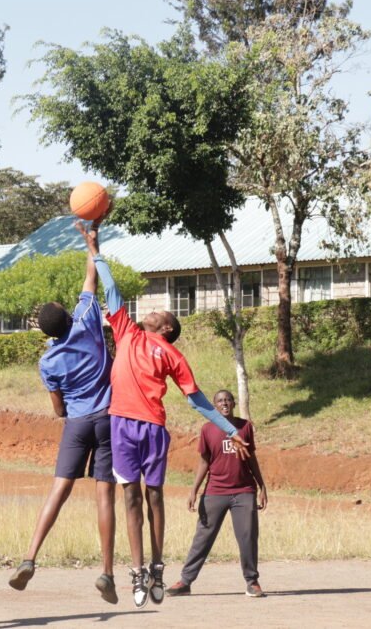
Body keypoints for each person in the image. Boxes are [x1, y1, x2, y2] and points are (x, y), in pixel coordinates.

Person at [76, 216, 249, 608]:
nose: (152, 312)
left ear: (168, 329)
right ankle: (137, 570)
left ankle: (157, 565)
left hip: (152, 428)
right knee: (130, 498)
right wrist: (95, 250)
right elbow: (111, 288)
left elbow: (197, 400)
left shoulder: (172, 354)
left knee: (154, 496)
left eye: (160, 314)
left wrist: (230, 430)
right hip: (120, 425)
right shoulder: (126, 330)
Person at [8, 232, 117, 603]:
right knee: (105, 495)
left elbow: (58, 409)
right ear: (69, 316)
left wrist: (72, 408)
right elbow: (91, 277)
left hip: (77, 423)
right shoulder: (86, 319)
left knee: (59, 489)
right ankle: (106, 572)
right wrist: (92, 243)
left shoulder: (48, 361)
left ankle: (29, 557)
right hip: (107, 418)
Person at [167, 389, 268, 598]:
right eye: (220, 401)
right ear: (214, 406)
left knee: (248, 537)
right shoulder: (207, 429)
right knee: (202, 538)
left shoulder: (245, 427)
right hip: (215, 491)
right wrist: (194, 490)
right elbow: (204, 462)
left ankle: (252, 582)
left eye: (228, 400)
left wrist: (262, 486)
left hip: (243, 491)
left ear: (233, 403)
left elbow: (251, 458)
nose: (224, 403)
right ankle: (185, 581)